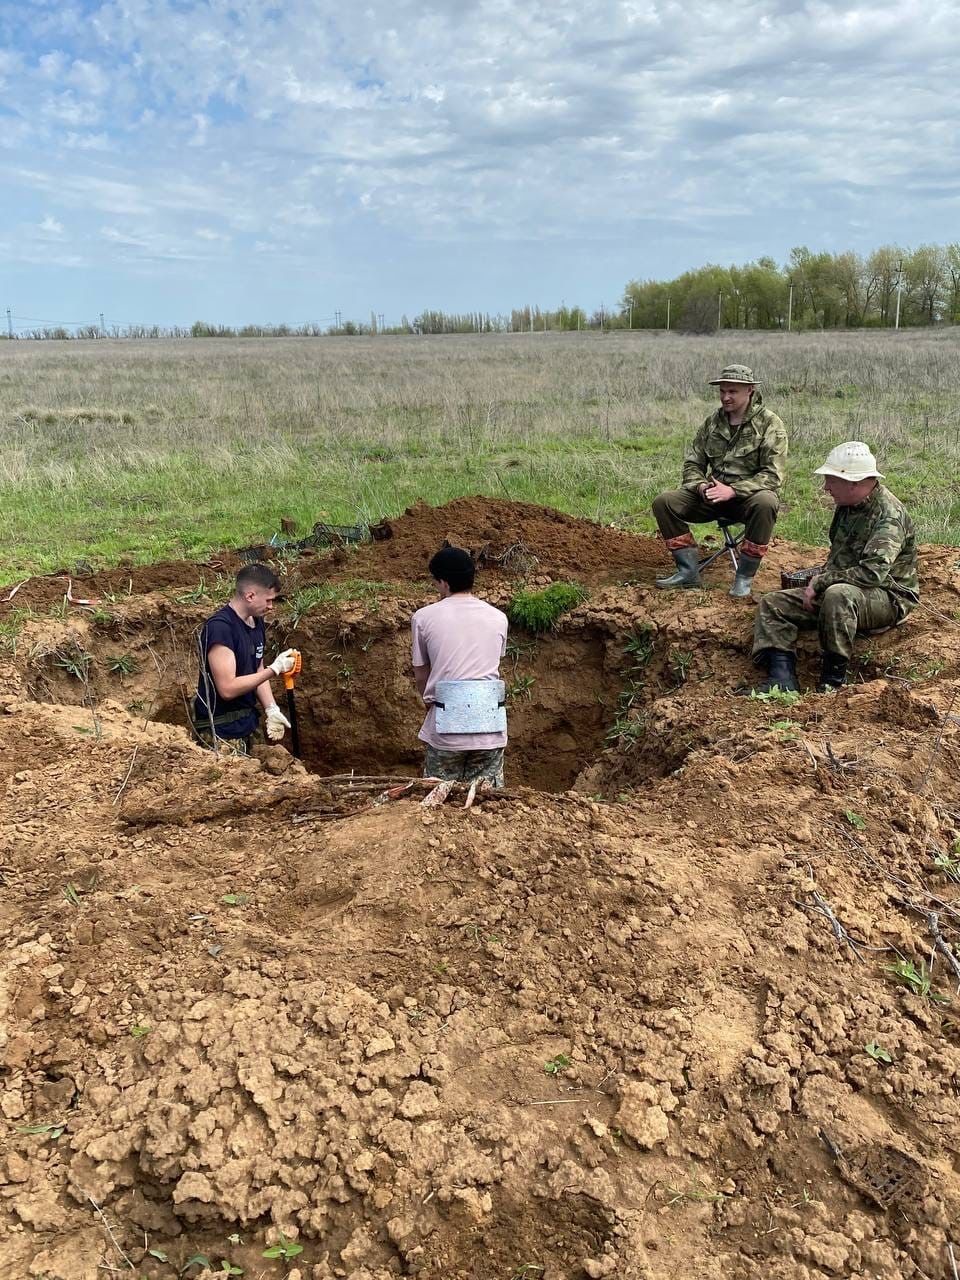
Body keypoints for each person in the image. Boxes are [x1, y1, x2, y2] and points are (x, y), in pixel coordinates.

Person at [750, 442, 919, 694]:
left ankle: (832, 682)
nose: (826, 487)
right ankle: (782, 679)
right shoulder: (848, 507)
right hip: (846, 591)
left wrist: (820, 582)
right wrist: (819, 583)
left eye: (831, 480)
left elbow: (872, 574)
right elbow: (838, 555)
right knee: (773, 603)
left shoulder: (888, 516)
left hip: (888, 596)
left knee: (838, 594)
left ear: (853, 481)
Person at [652, 363, 788, 597]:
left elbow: (773, 475)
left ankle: (744, 578)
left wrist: (733, 491)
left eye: (732, 391)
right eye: (722, 391)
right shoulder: (712, 423)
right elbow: (693, 463)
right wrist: (701, 486)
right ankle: (688, 572)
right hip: (712, 496)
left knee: (767, 502)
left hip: (748, 499)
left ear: (750, 390)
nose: (726, 397)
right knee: (664, 502)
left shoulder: (769, 424)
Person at [411, 546, 509, 787]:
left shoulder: (423, 618)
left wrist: (429, 700)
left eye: (436, 582)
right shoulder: (498, 617)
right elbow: (493, 664)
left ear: (444, 582)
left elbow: (421, 672)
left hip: (447, 725)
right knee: (487, 800)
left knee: (439, 795)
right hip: (490, 725)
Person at [193, 563, 298, 751]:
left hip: (248, 723)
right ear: (250, 596)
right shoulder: (221, 628)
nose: (271, 606)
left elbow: (256, 668)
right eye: (268, 600)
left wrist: (271, 708)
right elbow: (227, 688)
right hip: (221, 732)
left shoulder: (256, 623)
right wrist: (274, 670)